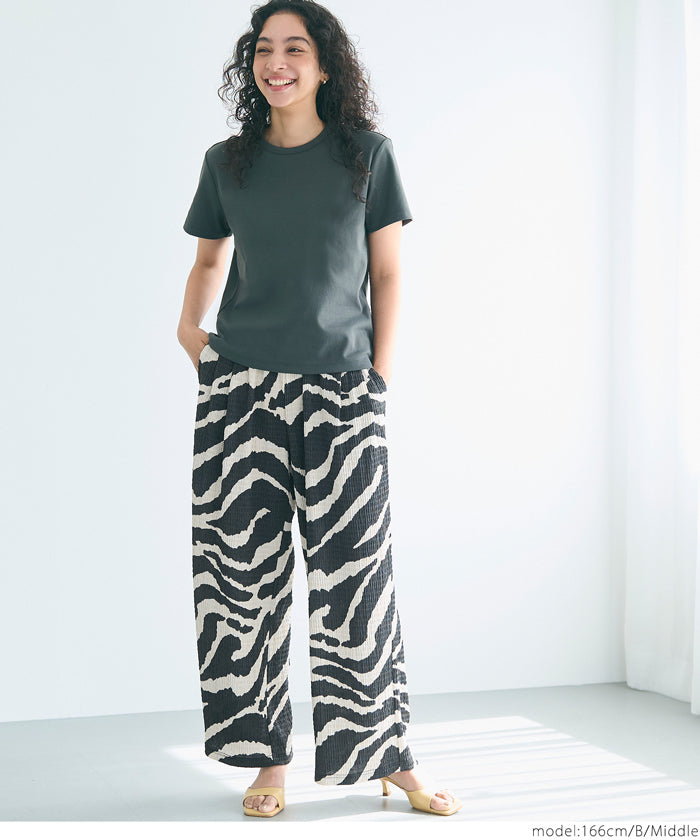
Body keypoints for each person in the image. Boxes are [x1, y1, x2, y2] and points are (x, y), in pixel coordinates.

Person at [177, 0, 462, 819]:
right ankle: (265, 761)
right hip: (239, 398)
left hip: (342, 396)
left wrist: (378, 377)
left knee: (357, 581)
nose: (277, 62)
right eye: (264, 48)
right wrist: (191, 334)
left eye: (296, 48)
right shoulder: (227, 162)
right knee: (241, 587)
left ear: (325, 64)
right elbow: (208, 260)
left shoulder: (366, 155)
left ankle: (389, 757)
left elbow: (389, 274)